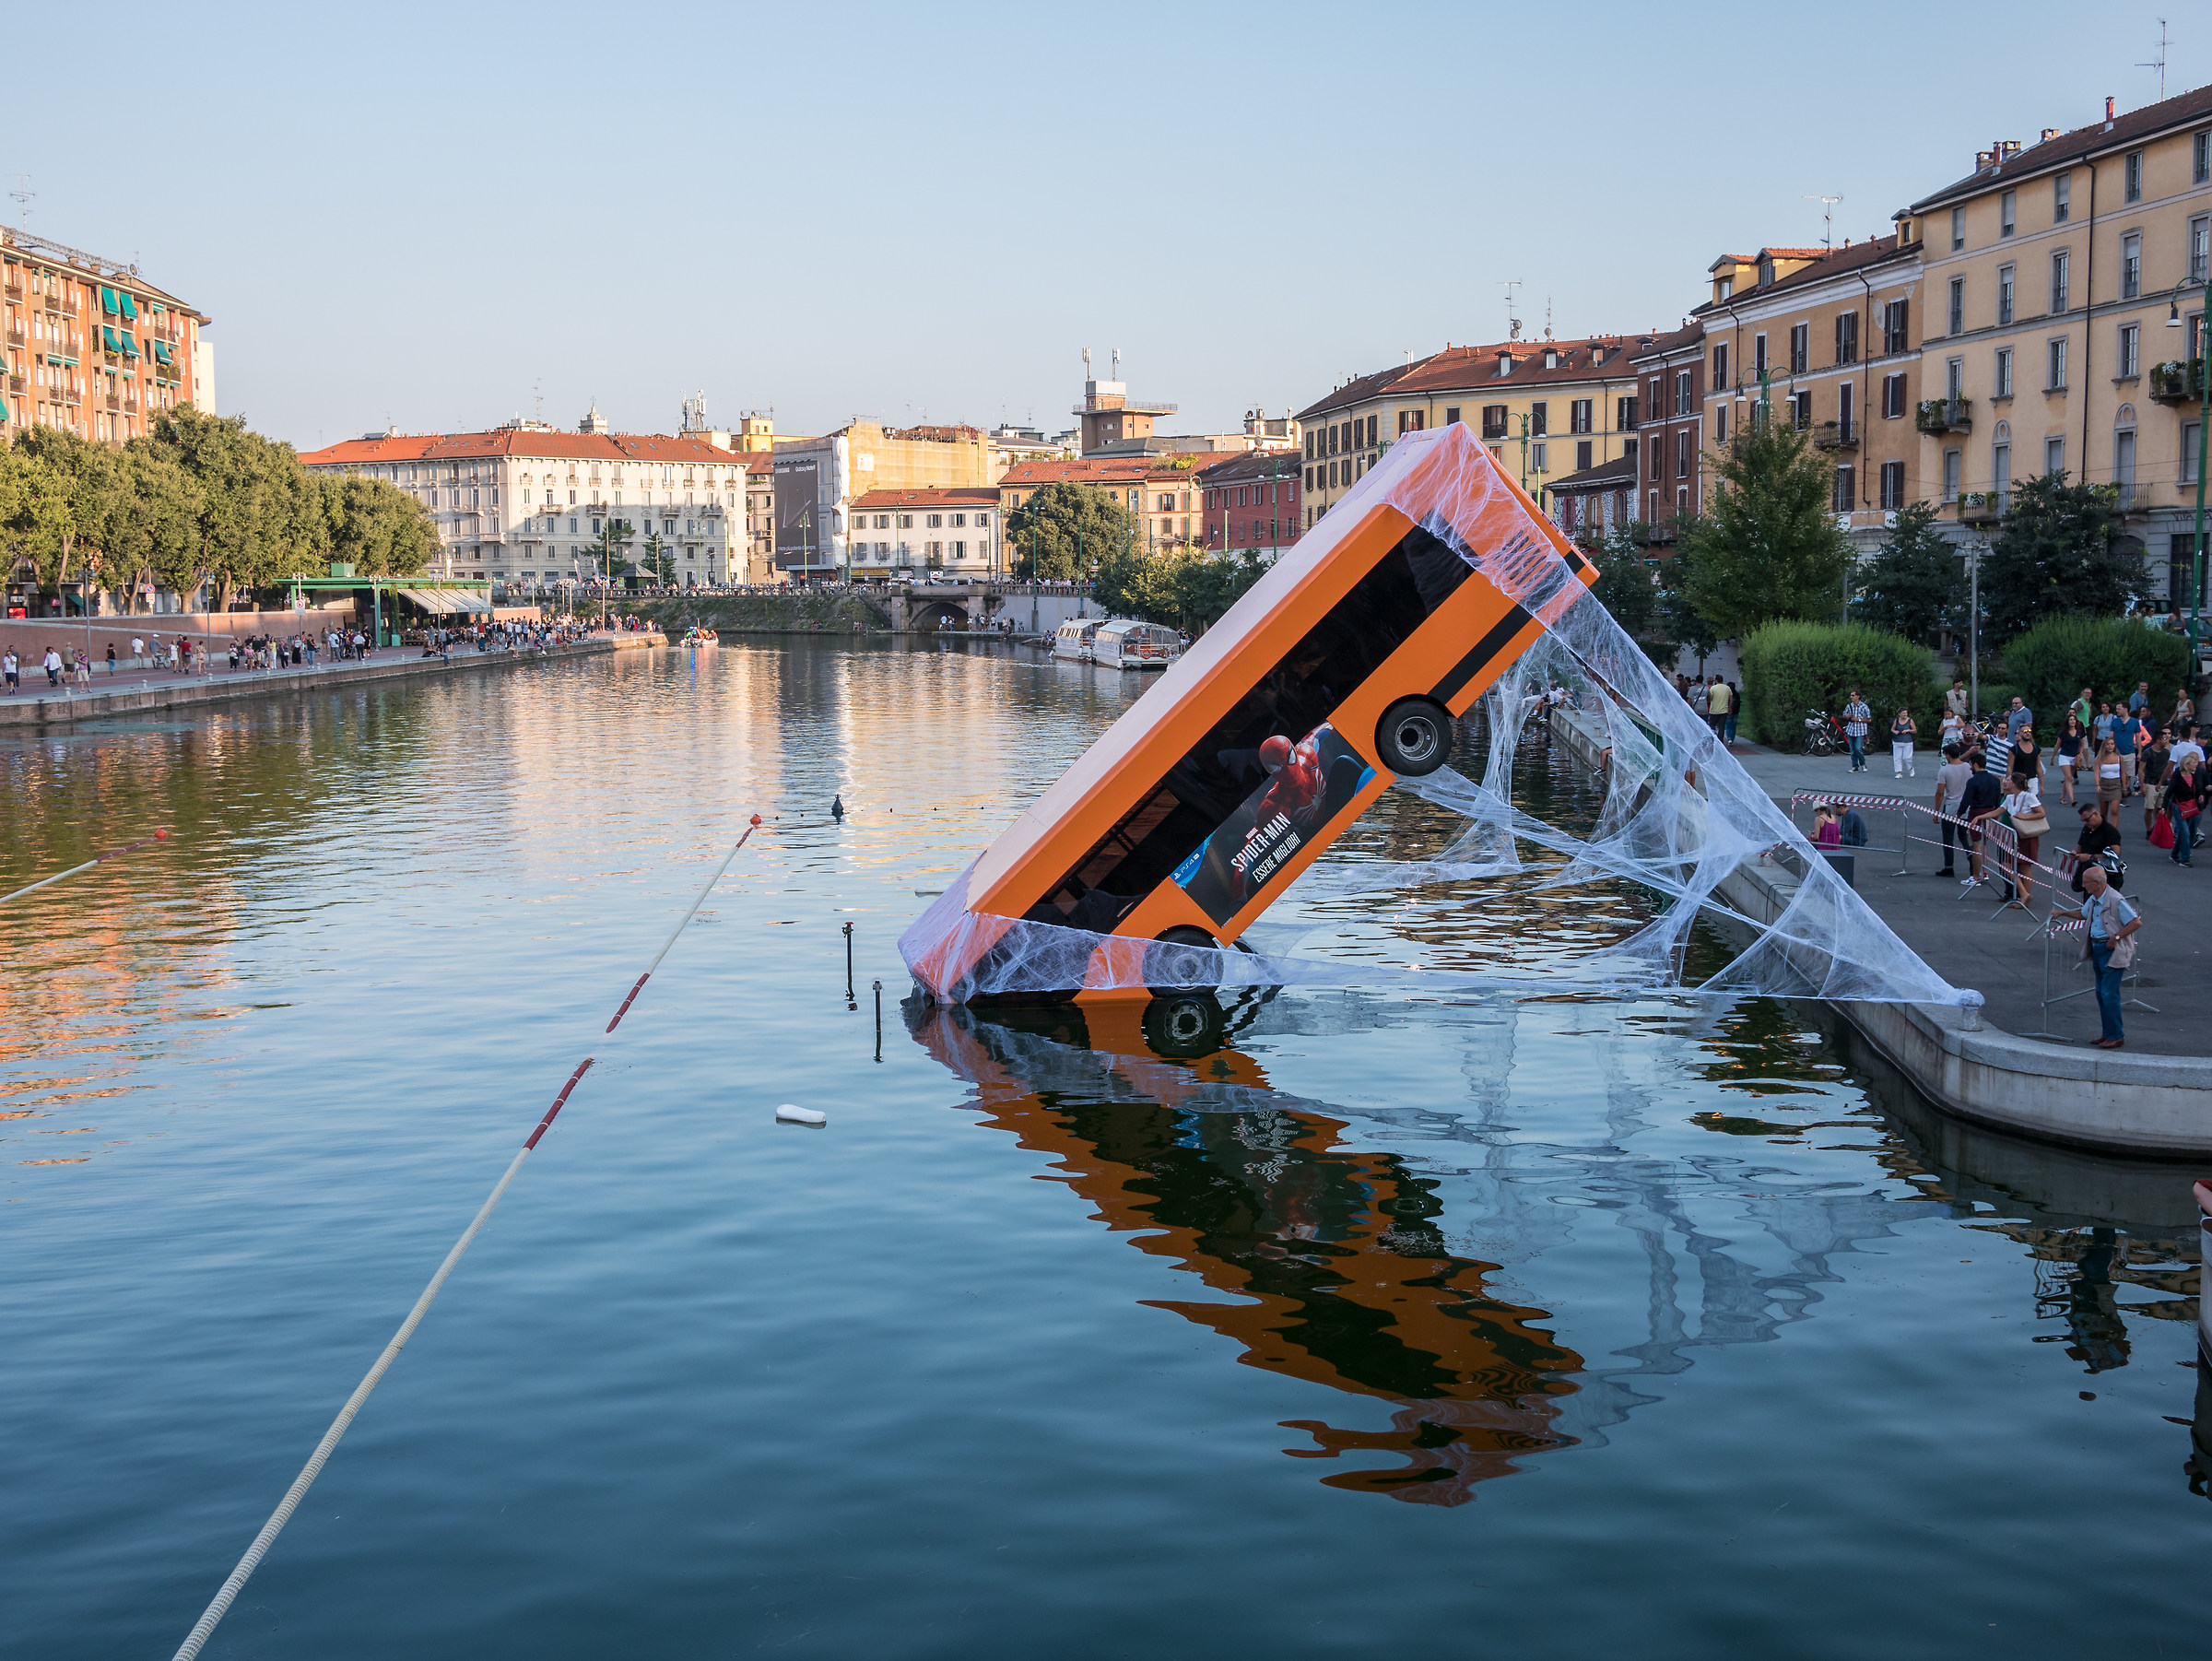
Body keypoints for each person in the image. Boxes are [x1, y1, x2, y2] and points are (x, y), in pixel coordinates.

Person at [2055, 865, 2139, 1049]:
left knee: (2109, 994)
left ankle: (2116, 1035)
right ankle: (2108, 1033)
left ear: (2097, 883)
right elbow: (2084, 914)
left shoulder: (2116, 900)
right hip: (2098, 948)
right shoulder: (2095, 898)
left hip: (2112, 950)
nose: (2083, 886)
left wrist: (2115, 937)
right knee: (2101, 993)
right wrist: (2063, 913)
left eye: (2086, 883)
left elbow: (2135, 922)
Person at [2002, 756, 2047, 908]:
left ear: (2014, 783)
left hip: (2027, 835)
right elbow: (1997, 811)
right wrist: (1980, 818)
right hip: (2016, 836)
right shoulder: (2010, 797)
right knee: (2007, 863)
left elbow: (2041, 813)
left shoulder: (2029, 797)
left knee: (2025, 866)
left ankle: (2024, 899)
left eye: (2008, 780)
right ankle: (2023, 893)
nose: (2005, 781)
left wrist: (2024, 816)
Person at [1959, 748, 2004, 889]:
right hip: (1991, 812)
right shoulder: (1995, 781)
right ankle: (1984, 872)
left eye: (1971, 765)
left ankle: (1976, 876)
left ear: (1976, 765)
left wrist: (1959, 814)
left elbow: (1966, 801)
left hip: (1976, 814)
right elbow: (1998, 799)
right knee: (1984, 843)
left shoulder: (1973, 781)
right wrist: (1996, 814)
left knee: (1976, 844)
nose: (1970, 767)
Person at [1933, 742, 1972, 876]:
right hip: (1966, 805)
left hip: (1951, 805)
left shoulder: (1944, 770)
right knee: (1964, 836)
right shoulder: (1968, 767)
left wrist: (1936, 811)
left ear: (1947, 755)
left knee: (1948, 838)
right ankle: (1972, 859)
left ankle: (1949, 866)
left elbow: (1940, 792)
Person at [2070, 803, 2124, 893]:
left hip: (2105, 878)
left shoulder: (2110, 831)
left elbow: (2115, 856)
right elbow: (2080, 846)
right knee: (2088, 902)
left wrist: (2090, 857)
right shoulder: (2086, 829)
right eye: (2082, 820)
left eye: (2087, 820)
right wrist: (2075, 853)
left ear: (2096, 814)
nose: (2085, 823)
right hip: (2088, 874)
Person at [2168, 753, 2203, 867]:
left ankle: (2174, 854)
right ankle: (2185, 859)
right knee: (2185, 832)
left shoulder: (2194, 775)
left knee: (2190, 833)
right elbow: (2170, 790)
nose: (2196, 765)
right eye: (2194, 763)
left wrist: (2201, 795)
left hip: (2192, 806)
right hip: (2179, 806)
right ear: (2187, 764)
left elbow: (2198, 788)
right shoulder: (2178, 775)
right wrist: (2164, 806)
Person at [2139, 726, 2171, 837]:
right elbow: (2141, 769)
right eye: (2164, 738)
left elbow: (2169, 768)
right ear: (2158, 740)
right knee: (2149, 807)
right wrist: (2142, 785)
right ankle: (2148, 830)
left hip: (2164, 784)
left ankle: (2157, 829)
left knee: (2160, 808)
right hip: (2150, 783)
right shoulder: (2148, 752)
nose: (2166, 740)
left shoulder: (2166, 753)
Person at [2054, 713, 2086, 805]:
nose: (2072, 721)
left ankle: (2062, 797)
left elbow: (2082, 744)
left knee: (2068, 778)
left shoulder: (2079, 733)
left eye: (2074, 720)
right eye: (2070, 720)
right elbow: (2057, 745)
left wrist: (2080, 753)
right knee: (2068, 778)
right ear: (2067, 722)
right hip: (2064, 756)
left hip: (2074, 757)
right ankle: (2072, 799)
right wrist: (2053, 757)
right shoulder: (2063, 733)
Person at [2092, 736, 2124, 819]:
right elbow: (2096, 773)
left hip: (2116, 785)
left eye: (2112, 744)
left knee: (2114, 811)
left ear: (2115, 745)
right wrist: (2097, 785)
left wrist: (2124, 787)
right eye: (2108, 744)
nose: (2110, 746)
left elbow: (2123, 773)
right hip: (2104, 784)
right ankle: (2105, 830)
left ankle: (2113, 831)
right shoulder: (2099, 759)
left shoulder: (2119, 758)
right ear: (2104, 746)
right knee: (2103, 812)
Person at [1842, 689, 1871, 772]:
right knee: (1852, 750)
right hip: (1851, 730)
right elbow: (1844, 714)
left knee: (1858, 748)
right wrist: (1846, 715)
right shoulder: (1849, 706)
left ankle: (1863, 764)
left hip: (1860, 730)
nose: (1851, 697)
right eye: (1851, 695)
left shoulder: (1864, 706)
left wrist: (1858, 720)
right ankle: (1855, 766)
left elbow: (1869, 719)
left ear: (1858, 696)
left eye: (1853, 695)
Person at [1888, 707, 1917, 777]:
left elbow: (1915, 730)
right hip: (1897, 741)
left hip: (1908, 742)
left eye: (1906, 713)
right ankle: (1899, 772)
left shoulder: (1910, 720)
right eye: (1903, 713)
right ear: (1899, 714)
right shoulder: (1897, 720)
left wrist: (1908, 730)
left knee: (1907, 758)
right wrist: (1895, 731)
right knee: (1897, 758)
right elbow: (1892, 729)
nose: (1905, 714)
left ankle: (1910, 768)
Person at [1706, 676, 1731, 740]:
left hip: (1714, 710)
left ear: (1716, 680)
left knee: (1712, 726)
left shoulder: (1713, 688)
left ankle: (1714, 739)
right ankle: (1720, 740)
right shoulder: (1727, 688)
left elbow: (1710, 699)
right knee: (1721, 727)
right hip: (1724, 710)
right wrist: (1730, 707)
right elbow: (1731, 699)